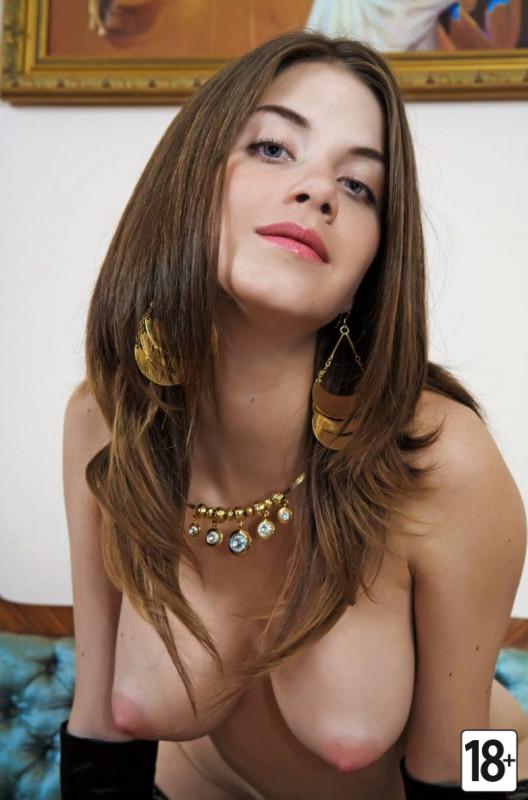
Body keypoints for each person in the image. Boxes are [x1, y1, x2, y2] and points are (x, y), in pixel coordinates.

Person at [59, 28, 528, 800]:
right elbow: (98, 725)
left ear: (369, 270)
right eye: (274, 148)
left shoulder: (440, 458)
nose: (318, 191)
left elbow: (464, 757)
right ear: (189, 182)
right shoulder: (106, 419)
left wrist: (502, 780)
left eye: (360, 186)